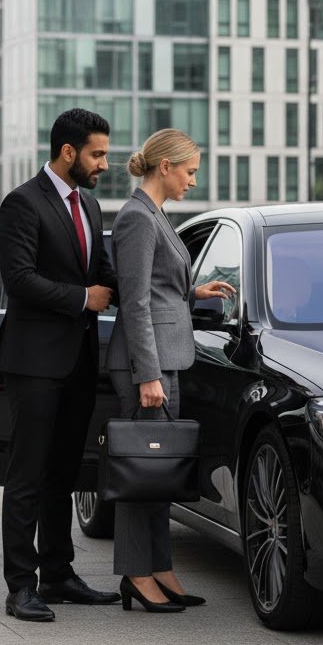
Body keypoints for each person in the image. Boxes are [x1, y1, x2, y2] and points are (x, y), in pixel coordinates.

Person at [0, 108, 121, 622]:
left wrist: (184, 291)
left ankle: (59, 574)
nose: (104, 164)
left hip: (79, 363)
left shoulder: (89, 206)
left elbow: (108, 274)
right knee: (27, 474)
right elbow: (18, 279)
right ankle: (20, 586)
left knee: (65, 475)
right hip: (34, 364)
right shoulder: (21, 204)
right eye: (97, 154)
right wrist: (80, 298)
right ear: (68, 152)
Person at [105, 129, 235, 612]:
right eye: (190, 171)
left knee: (157, 474)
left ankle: (160, 568)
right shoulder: (138, 218)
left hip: (164, 360)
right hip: (148, 366)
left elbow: (157, 287)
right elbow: (134, 303)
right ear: (166, 167)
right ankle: (137, 575)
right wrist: (148, 375)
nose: (193, 181)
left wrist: (193, 293)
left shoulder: (155, 215)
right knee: (142, 475)